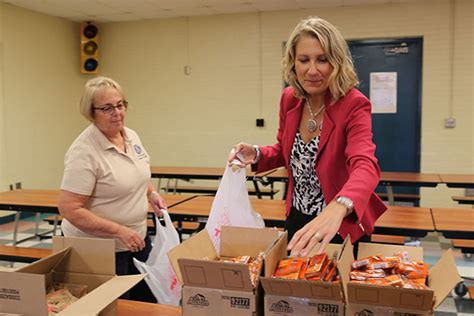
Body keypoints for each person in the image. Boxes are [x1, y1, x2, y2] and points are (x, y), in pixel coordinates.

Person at [228, 16, 387, 257]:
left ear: (336, 62)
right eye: (304, 60)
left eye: (322, 60)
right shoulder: (290, 98)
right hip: (297, 218)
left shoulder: (354, 104)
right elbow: (285, 150)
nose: (312, 70)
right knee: (293, 289)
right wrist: (258, 153)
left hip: (337, 221)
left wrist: (339, 206)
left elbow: (365, 164)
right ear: (293, 63)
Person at [58, 76, 166, 303]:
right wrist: (118, 231)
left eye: (120, 104)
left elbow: (138, 172)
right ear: (92, 112)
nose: (117, 112)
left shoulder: (130, 135)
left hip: (136, 239)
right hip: (99, 250)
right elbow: (69, 209)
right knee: (114, 307)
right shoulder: (84, 151)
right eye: (107, 108)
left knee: (147, 302)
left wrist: (151, 194)